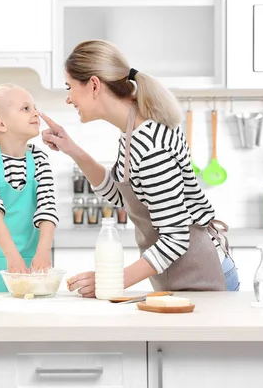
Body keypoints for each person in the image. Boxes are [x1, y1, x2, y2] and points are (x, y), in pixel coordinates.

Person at [41, 40, 240, 297]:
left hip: (203, 276)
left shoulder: (150, 145)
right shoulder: (132, 133)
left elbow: (176, 237)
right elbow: (119, 196)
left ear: (93, 85)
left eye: (70, 87)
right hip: (180, 279)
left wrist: (111, 281)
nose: (68, 98)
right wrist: (73, 150)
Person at [0, 83, 59, 292]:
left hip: (32, 260)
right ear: (0, 123)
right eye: (25, 108)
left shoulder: (40, 160)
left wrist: (43, 252)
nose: (36, 113)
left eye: (34, 107)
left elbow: (47, 207)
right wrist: (12, 257)